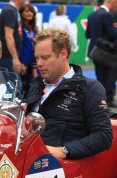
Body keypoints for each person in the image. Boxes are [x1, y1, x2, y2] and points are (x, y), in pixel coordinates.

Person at [26, 28, 112, 159]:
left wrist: (63, 151)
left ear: (63, 54)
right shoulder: (36, 84)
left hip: (61, 168)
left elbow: (103, 135)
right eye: (37, 58)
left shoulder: (90, 88)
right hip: (28, 159)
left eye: (45, 57)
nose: (39, 63)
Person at [86, 0, 117, 108]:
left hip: (94, 52)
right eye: (115, 2)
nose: (116, 5)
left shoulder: (91, 15)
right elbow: (112, 34)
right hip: (104, 52)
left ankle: (100, 101)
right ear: (110, 1)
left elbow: (87, 35)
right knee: (107, 79)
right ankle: (103, 103)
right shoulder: (106, 15)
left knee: (100, 78)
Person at [0, 0, 26, 99]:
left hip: (8, 56)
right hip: (7, 57)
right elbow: (8, 36)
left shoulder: (12, 10)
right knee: (15, 87)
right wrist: (15, 59)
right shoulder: (10, 11)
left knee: (14, 86)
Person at [19, 3, 38, 96]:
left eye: (31, 11)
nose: (29, 13)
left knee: (32, 86)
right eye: (27, 11)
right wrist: (20, 61)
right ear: (21, 13)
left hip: (33, 61)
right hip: (23, 62)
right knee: (22, 86)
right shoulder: (19, 27)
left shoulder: (34, 28)